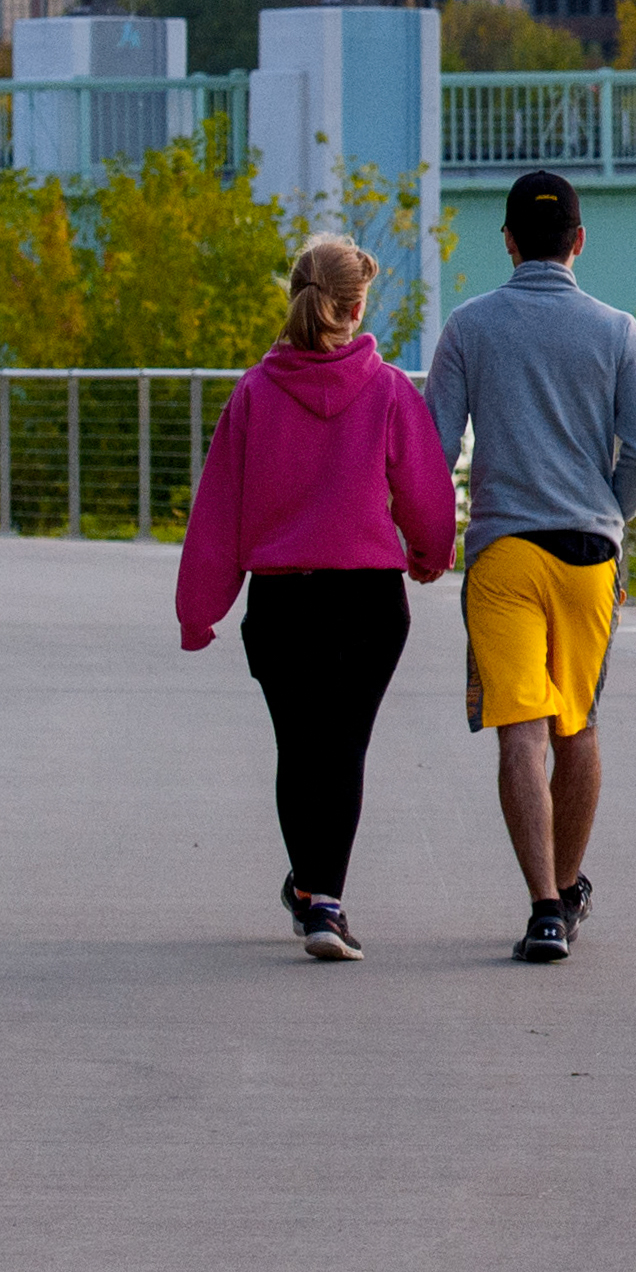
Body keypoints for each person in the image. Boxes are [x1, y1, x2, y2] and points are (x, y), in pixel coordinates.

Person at [177, 237, 454, 959]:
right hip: (369, 601)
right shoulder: (391, 389)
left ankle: (313, 892)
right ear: (358, 307)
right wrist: (430, 556)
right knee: (343, 747)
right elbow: (426, 492)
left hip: (283, 604)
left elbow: (219, 510)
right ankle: (320, 899)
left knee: (300, 748)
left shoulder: (253, 394)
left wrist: (200, 608)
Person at [424, 167, 636, 965]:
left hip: (504, 553)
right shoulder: (619, 330)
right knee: (579, 724)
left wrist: (431, 532)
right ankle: (568, 888)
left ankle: (543, 909)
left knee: (519, 729)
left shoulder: (467, 326)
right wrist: (611, 509)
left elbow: (435, 444)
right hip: (588, 555)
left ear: (508, 241)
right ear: (579, 240)